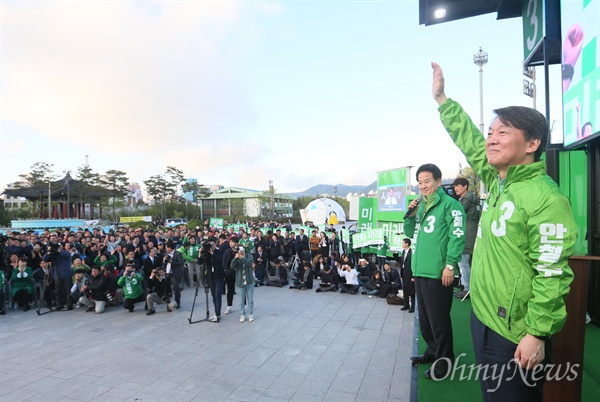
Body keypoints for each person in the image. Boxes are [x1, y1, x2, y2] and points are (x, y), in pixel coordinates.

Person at [432, 62, 577, 400]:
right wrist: (442, 101)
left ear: (531, 144)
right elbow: (470, 139)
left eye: (503, 132)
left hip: (515, 334)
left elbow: (552, 273)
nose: (491, 139)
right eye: (491, 132)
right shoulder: (500, 181)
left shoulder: (546, 197)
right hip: (482, 317)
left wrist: (537, 335)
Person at [404, 163, 466, 380]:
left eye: (427, 181)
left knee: (439, 320)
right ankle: (432, 351)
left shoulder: (451, 206)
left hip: (439, 272)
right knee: (425, 320)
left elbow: (457, 236)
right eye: (420, 182)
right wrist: (410, 215)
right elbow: (409, 233)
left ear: (439, 181)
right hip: (420, 270)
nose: (423, 186)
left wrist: (450, 265)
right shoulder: (420, 206)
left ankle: (445, 360)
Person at [231, 248, 255, 322]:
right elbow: (232, 266)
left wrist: (242, 258)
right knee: (241, 300)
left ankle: (250, 314)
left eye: (241, 249)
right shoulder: (237, 257)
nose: (240, 251)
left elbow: (249, 264)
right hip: (240, 281)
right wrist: (235, 258)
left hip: (249, 281)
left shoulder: (249, 256)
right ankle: (242, 314)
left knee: (250, 299)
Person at [164, 241, 184, 309]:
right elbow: (164, 264)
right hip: (167, 273)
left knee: (176, 288)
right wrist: (164, 261)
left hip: (175, 273)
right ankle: (168, 303)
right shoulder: (166, 254)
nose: (166, 248)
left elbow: (180, 262)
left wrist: (172, 262)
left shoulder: (178, 253)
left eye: (166, 247)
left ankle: (178, 302)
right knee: (167, 288)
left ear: (169, 248)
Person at [399, 238, 414, 313]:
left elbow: (413, 264)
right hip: (404, 273)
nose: (402, 244)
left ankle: (413, 307)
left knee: (411, 290)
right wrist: (401, 274)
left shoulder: (412, 252)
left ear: (407, 244)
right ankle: (406, 304)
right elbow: (402, 264)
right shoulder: (403, 252)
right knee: (405, 289)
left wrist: (413, 276)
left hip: (410, 274)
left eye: (403, 243)